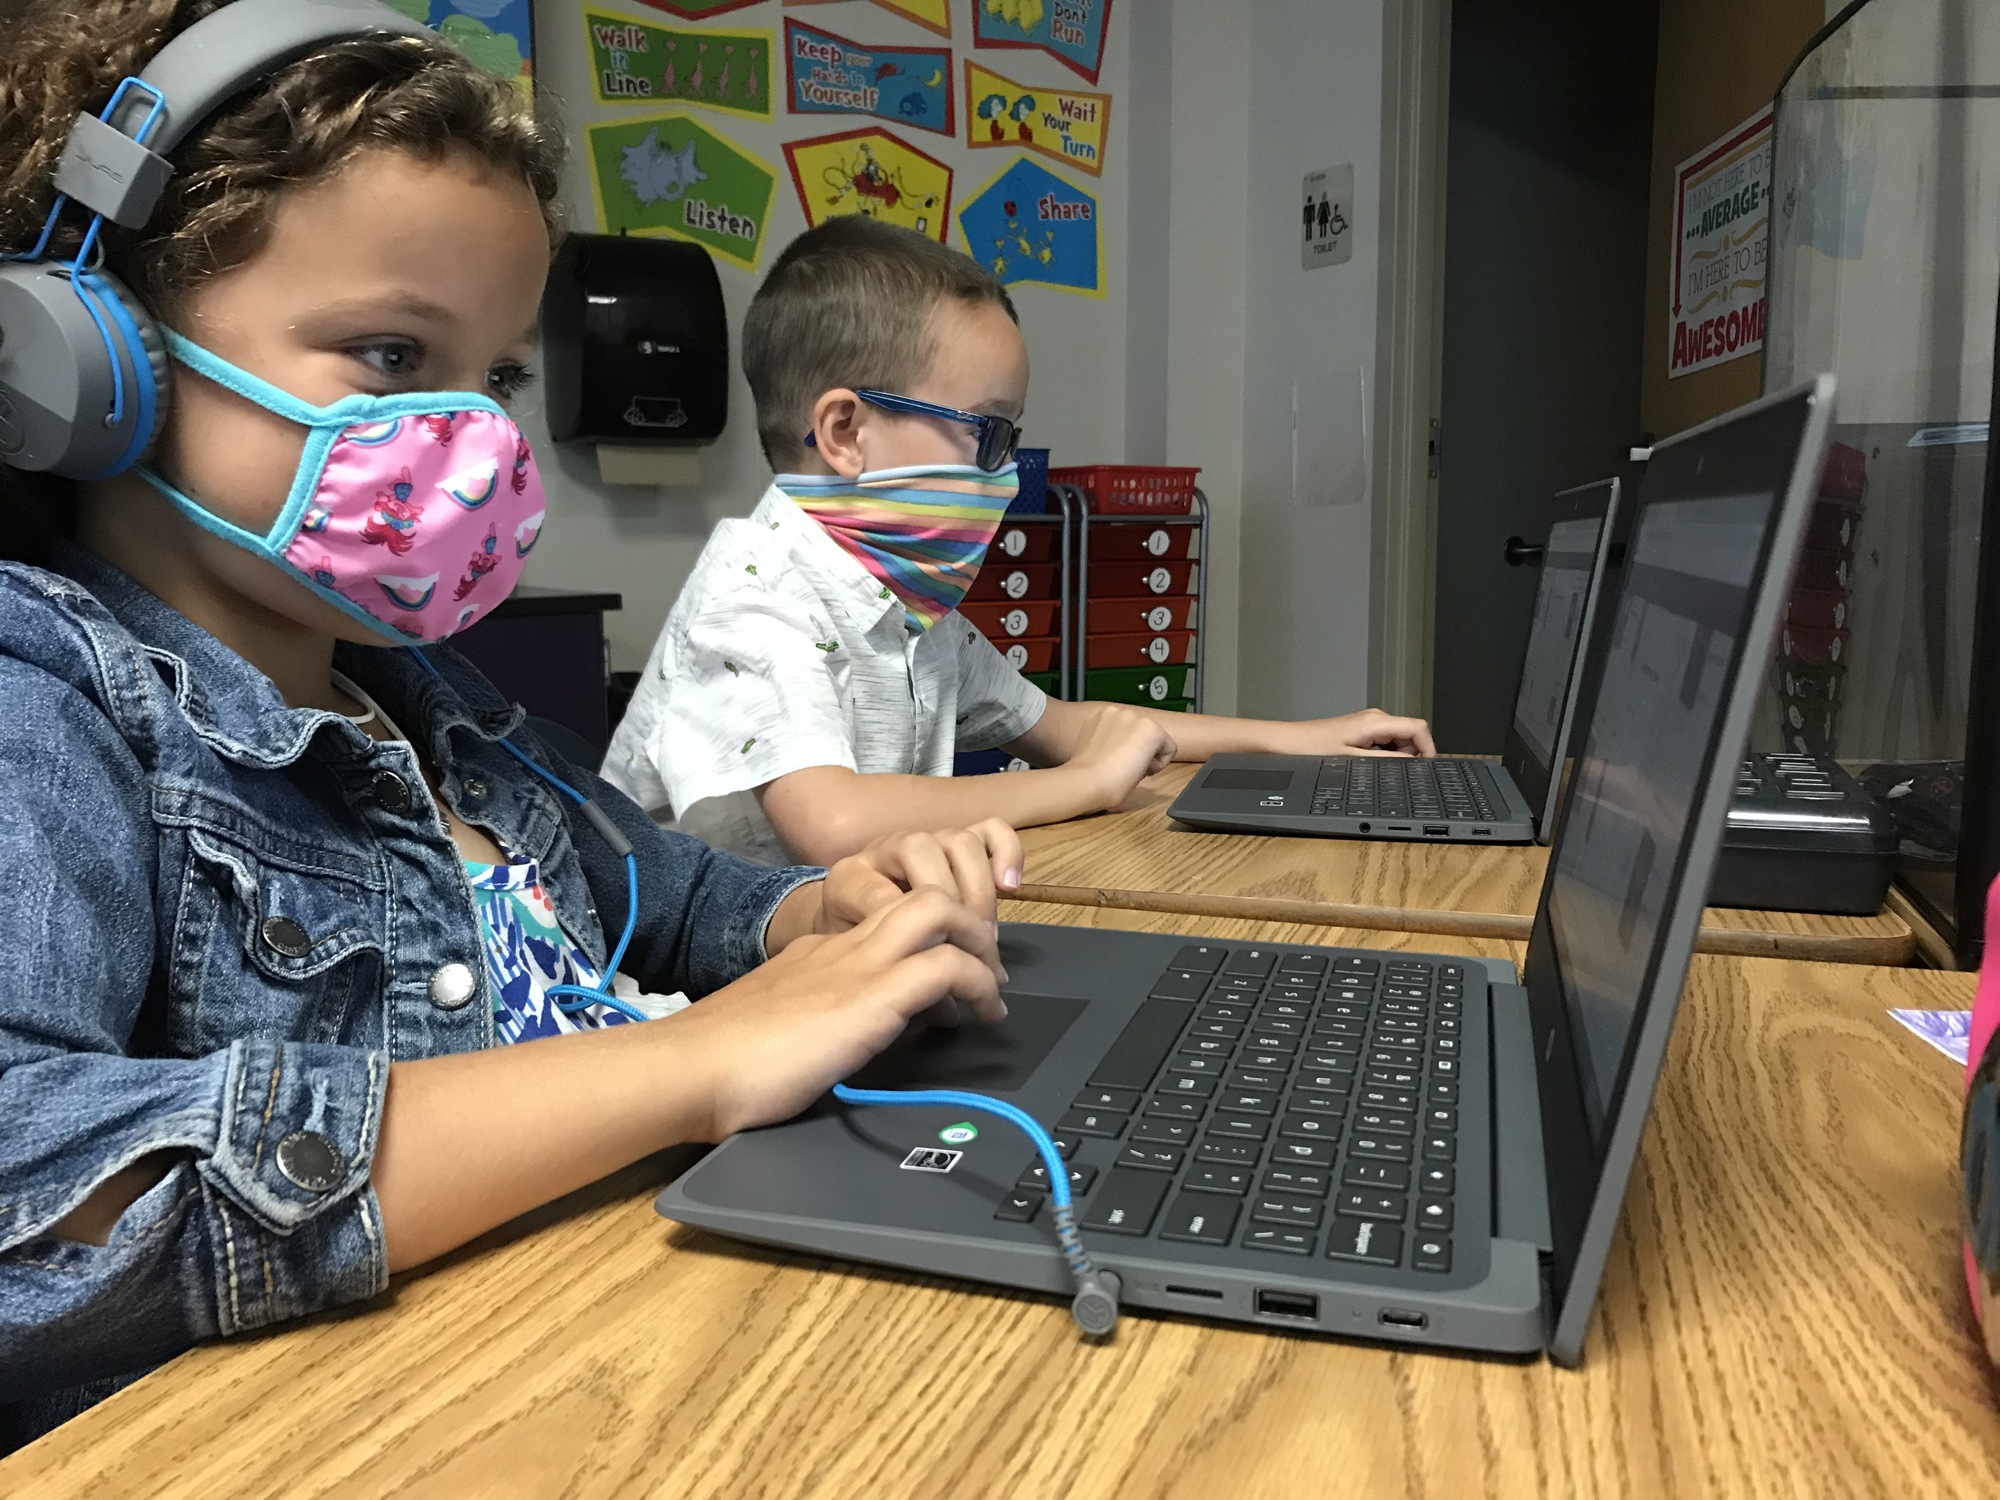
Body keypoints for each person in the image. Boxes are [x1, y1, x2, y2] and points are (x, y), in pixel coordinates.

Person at [0, 0, 1017, 1450]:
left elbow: (661, 891)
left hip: (617, 1354)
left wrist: (808, 920)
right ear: (91, 357)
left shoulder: (426, 702)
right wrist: (691, 1064)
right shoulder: (45, 695)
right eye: (394, 356)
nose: (475, 442)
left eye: (492, 379)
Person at [603, 217, 1436, 867]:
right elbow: (835, 823)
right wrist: (1082, 788)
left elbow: (1076, 727)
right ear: (846, 431)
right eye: (989, 435)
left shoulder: (908, 604)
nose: (1005, 474)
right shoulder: (754, 597)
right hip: (690, 1009)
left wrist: (1305, 738)